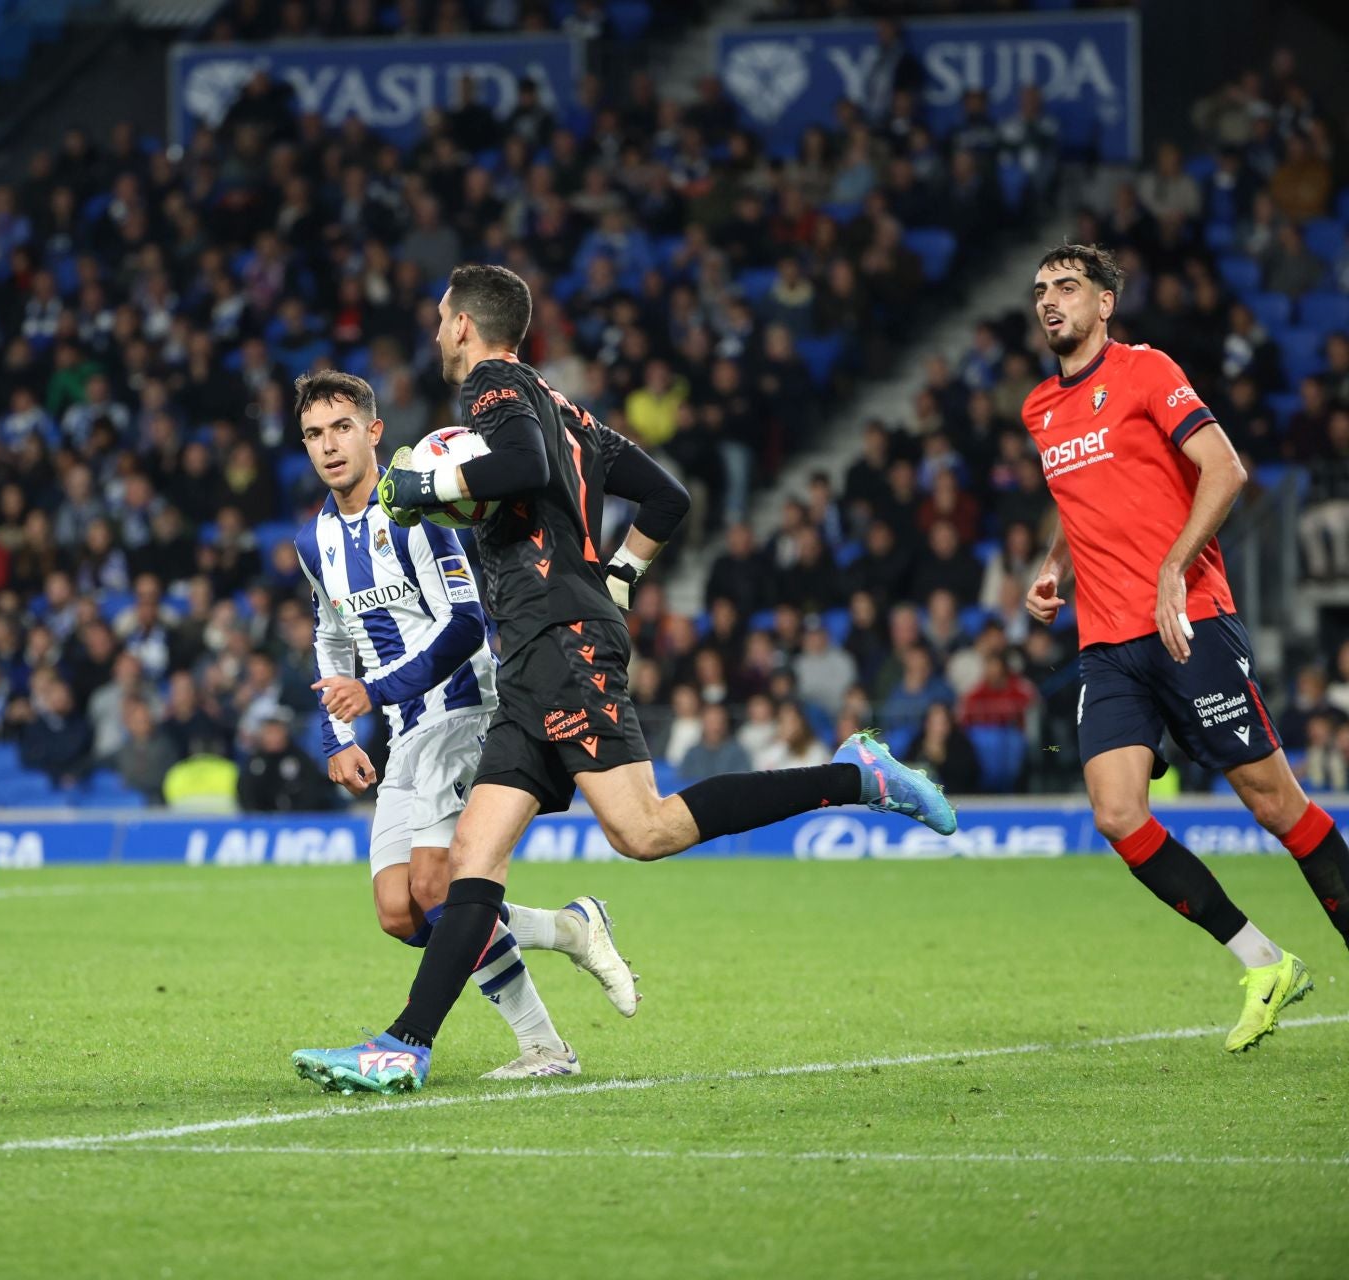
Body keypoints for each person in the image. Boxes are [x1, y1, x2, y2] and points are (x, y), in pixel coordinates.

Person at [292, 264, 955, 1093]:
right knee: (472, 859)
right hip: (537, 651)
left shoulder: (493, 389)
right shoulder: (571, 411)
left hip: (561, 643)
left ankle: (862, 777)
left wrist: (426, 483)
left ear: (465, 325)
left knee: (644, 831)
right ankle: (405, 1045)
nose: (435, 332)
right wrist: (621, 577)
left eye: (439, 319)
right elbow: (667, 499)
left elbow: (524, 465)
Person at [1022, 243, 1349, 1053]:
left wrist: (1173, 568)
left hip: (1188, 621)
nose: (1049, 301)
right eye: (1040, 290)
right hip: (1107, 643)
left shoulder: (1146, 371)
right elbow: (1080, 497)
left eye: (1068, 287)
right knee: (1117, 812)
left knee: (1275, 804)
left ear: (1105, 304)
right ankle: (1262, 960)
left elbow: (1225, 469)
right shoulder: (1039, 409)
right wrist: (1052, 566)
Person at [291, 370, 634, 1081]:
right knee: (399, 912)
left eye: (341, 428)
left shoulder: (415, 512)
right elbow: (330, 635)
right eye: (314, 434)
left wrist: (375, 687)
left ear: (373, 432)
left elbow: (463, 624)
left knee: (439, 890)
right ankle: (569, 928)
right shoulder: (314, 538)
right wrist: (339, 734)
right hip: (397, 727)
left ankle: (543, 1048)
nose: (329, 446)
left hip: (460, 710)